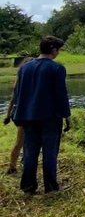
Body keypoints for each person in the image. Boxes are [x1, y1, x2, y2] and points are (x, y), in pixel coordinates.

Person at [11, 36, 71, 194]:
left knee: (30, 151)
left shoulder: (25, 67)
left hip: (27, 116)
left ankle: (28, 186)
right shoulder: (57, 68)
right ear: (53, 51)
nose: (58, 53)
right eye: (58, 51)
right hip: (50, 117)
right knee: (50, 152)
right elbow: (61, 94)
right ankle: (51, 186)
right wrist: (67, 115)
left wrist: (16, 113)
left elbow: (18, 92)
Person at [3, 56, 30, 174]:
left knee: (20, 141)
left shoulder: (18, 81)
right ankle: (17, 164)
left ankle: (12, 166)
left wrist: (7, 115)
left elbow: (12, 100)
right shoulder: (29, 83)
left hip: (18, 115)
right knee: (24, 141)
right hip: (27, 115)